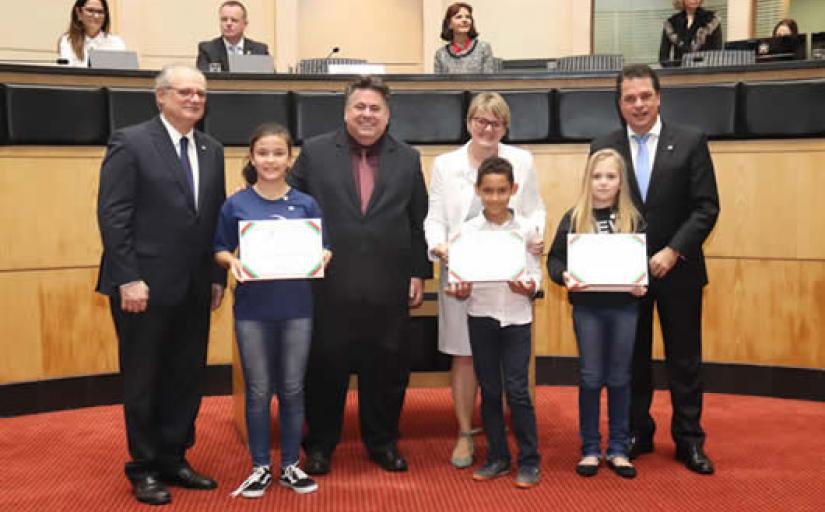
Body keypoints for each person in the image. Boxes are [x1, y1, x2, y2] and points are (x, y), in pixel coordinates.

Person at [287, 76, 432, 475]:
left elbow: (418, 220)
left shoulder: (408, 157)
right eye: (360, 107)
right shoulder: (315, 153)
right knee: (324, 368)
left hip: (389, 285)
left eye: (376, 109)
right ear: (346, 111)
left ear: (387, 115)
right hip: (328, 284)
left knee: (386, 369)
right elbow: (292, 206)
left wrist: (419, 272)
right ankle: (319, 446)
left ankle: (383, 442)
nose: (367, 115)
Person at [96, 65, 226, 505]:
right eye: (185, 92)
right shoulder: (130, 142)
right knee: (144, 378)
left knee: (186, 377)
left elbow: (212, 219)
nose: (194, 99)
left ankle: (174, 457)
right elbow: (113, 215)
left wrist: (215, 276)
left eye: (201, 94)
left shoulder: (211, 148)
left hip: (194, 286)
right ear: (161, 97)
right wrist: (128, 276)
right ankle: (144, 467)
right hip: (142, 287)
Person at [590, 64, 720, 475]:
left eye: (645, 96)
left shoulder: (691, 141)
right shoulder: (604, 145)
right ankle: (636, 433)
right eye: (629, 98)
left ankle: (689, 440)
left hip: (678, 270)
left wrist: (673, 251)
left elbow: (706, 206)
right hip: (626, 275)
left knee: (684, 360)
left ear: (659, 97)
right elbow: (597, 206)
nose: (639, 104)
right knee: (632, 360)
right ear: (620, 103)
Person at [424, 92, 545, 469]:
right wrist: (438, 247)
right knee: (463, 355)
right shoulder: (446, 164)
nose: (487, 128)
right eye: (480, 120)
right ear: (468, 122)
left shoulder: (521, 160)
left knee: (510, 365)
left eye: (495, 122)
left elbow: (534, 208)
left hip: (510, 278)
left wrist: (535, 237)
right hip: (463, 276)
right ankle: (465, 434)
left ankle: (509, 440)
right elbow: (434, 218)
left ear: (505, 127)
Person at [215, 124, 331, 498]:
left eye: (278, 153)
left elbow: (324, 247)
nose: (270, 160)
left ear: (289, 158)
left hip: (297, 307)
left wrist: (323, 255)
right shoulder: (236, 204)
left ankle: (292, 465)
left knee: (294, 389)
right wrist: (229, 260)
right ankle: (261, 466)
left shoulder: (306, 203)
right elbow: (219, 247)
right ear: (252, 157)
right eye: (263, 153)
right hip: (252, 310)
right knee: (259, 390)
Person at [547, 149, 646, 479]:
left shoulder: (634, 219)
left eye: (610, 177)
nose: (603, 183)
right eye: (597, 176)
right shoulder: (575, 217)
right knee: (590, 377)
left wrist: (639, 282)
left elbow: (642, 264)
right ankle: (590, 448)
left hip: (624, 309)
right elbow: (554, 262)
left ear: (621, 182)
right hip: (588, 309)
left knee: (620, 377)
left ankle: (618, 448)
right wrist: (564, 277)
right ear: (587, 180)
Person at [446, 156, 542, 489]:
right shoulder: (467, 231)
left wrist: (529, 285)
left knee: (517, 390)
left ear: (513, 190)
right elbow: (460, 279)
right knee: (488, 390)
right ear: (478, 191)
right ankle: (498, 457)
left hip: (517, 318)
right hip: (481, 316)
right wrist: (460, 287)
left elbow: (536, 274)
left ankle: (529, 460)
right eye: (488, 191)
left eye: (502, 190)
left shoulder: (527, 228)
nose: (496, 197)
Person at [196, 0, 269, 72]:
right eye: (224, 19)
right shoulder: (208, 50)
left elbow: (270, 81)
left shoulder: (259, 51)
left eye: (234, 20)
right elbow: (204, 79)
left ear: (245, 24)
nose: (228, 24)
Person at [58, 0, 125, 67]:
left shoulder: (116, 42)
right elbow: (66, 73)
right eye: (90, 10)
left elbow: (122, 73)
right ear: (79, 13)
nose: (96, 16)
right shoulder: (67, 40)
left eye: (100, 12)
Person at [434, 2, 495, 74]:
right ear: (449, 24)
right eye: (459, 17)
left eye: (468, 17)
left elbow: (489, 82)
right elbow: (438, 84)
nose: (465, 20)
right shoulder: (440, 54)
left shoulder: (483, 48)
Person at [659, 0, 722, 65]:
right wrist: (673, 70)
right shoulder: (672, 22)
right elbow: (663, 57)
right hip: (680, 71)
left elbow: (717, 52)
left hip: (706, 70)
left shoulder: (711, 19)